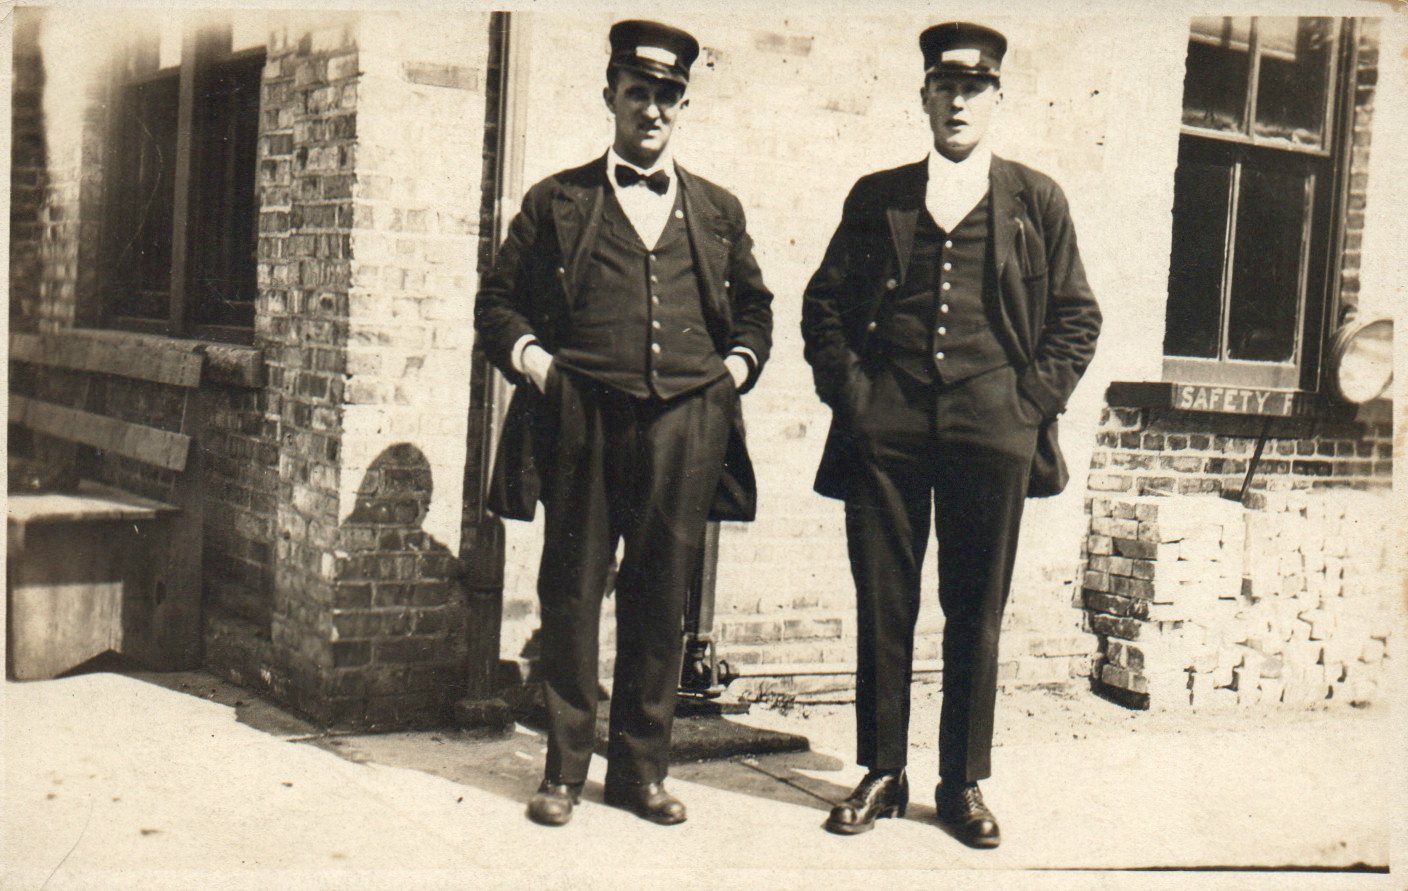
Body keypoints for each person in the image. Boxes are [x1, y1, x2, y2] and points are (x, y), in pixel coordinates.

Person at [801, 22, 1100, 847]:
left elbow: (1077, 317)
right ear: (925, 97)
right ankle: (883, 770)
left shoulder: (1035, 200)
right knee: (883, 601)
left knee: (976, 608)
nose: (958, 101)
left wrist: (1025, 405)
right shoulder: (879, 197)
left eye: (975, 88)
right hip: (887, 422)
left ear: (997, 98)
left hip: (990, 426)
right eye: (945, 87)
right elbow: (822, 305)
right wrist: (856, 397)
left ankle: (959, 780)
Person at [475, 19, 773, 827]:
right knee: (570, 592)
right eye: (637, 92)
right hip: (582, 420)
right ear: (610, 94)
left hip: (685, 422)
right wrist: (540, 367)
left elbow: (754, 311)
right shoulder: (558, 202)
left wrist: (731, 374)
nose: (651, 109)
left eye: (667, 96)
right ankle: (564, 770)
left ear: (683, 106)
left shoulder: (716, 210)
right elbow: (496, 304)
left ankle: (641, 771)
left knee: (659, 594)